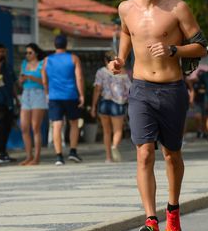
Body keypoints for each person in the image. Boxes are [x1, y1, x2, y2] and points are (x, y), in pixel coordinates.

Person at [107, 0, 207, 231]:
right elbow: (127, 33)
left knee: (171, 154)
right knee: (144, 153)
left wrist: (174, 50)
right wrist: (120, 59)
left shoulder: (177, 8)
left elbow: (201, 47)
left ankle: (172, 208)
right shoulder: (126, 8)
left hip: (172, 89)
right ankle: (150, 219)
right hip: (140, 89)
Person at [42, 34, 85, 166]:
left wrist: (47, 92)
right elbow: (79, 78)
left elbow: (44, 80)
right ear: (66, 45)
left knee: (57, 125)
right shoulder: (73, 58)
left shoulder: (47, 60)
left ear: (54, 45)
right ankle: (72, 151)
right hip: (71, 95)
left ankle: (59, 156)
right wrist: (82, 94)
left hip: (54, 96)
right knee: (73, 124)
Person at [91, 51, 132, 162]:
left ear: (105, 60)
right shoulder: (123, 72)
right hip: (118, 104)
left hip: (104, 102)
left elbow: (97, 89)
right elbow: (129, 89)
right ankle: (114, 146)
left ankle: (108, 157)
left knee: (106, 131)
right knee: (118, 130)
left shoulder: (101, 72)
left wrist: (93, 106)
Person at [18, 43, 47, 166]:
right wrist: (21, 80)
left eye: (30, 52)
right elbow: (20, 82)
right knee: (24, 127)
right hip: (26, 94)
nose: (27, 55)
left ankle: (37, 157)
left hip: (38, 94)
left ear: (36, 53)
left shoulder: (42, 64)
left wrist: (31, 77)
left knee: (35, 127)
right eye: (26, 53)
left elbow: (45, 82)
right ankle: (28, 156)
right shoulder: (24, 64)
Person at [0, 44, 18, 164]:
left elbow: (12, 84)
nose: (1, 54)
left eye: (3, 51)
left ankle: (3, 152)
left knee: (7, 127)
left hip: (9, 101)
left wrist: (16, 99)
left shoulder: (9, 66)